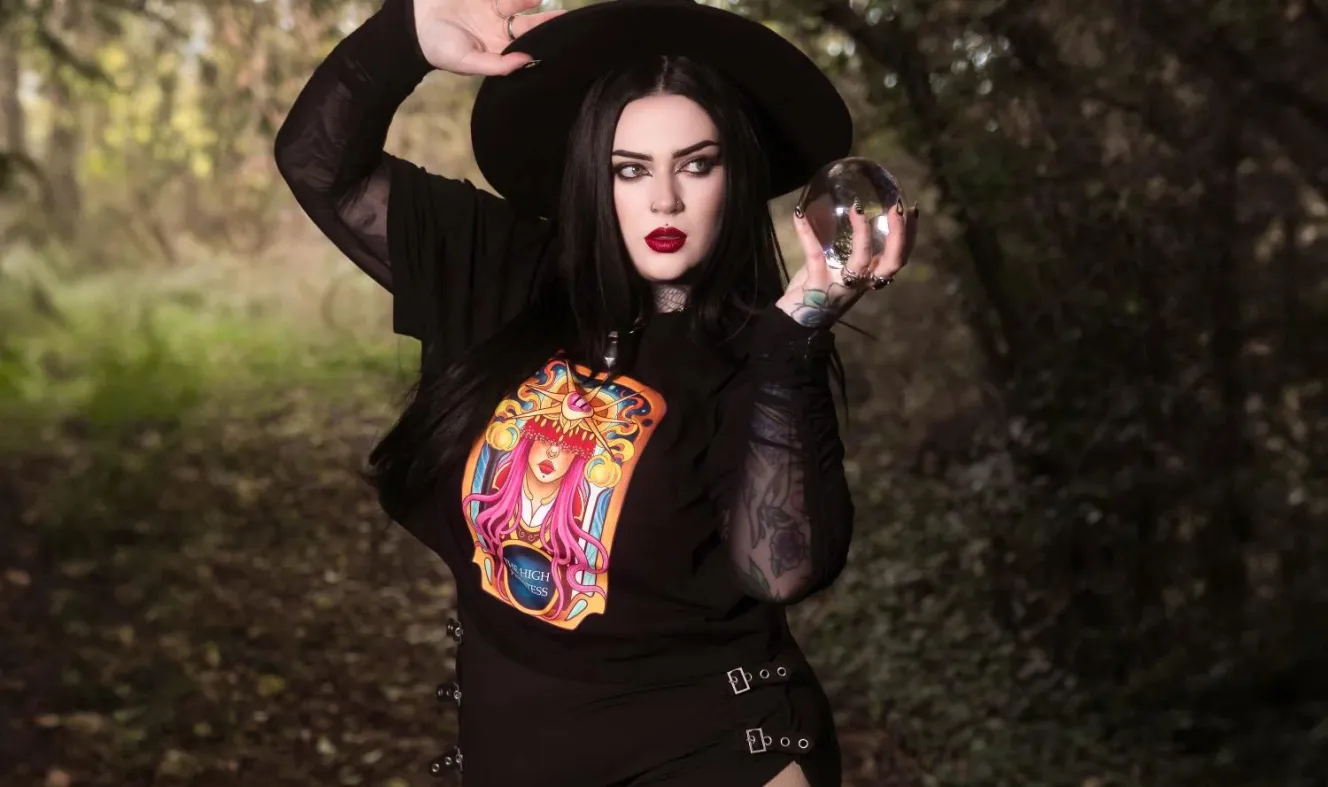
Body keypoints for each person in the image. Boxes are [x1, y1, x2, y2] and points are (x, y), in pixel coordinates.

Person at [273, 0, 919, 784]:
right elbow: (319, 163)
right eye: (631, 168)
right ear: (592, 172)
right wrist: (406, 32)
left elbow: (781, 569)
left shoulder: (762, 347)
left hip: (716, 756)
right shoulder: (502, 270)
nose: (665, 201)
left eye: (697, 163)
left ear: (736, 175)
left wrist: (796, 339)